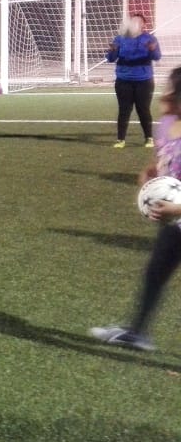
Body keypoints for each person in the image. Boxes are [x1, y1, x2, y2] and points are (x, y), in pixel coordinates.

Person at [91, 65, 181, 352]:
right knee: (155, 272)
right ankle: (138, 333)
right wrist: (151, 172)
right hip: (175, 223)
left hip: (177, 215)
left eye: (171, 89)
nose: (164, 93)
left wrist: (176, 209)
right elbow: (165, 162)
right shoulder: (166, 124)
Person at [107, 13, 160, 148]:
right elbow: (111, 58)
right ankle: (120, 140)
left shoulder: (150, 38)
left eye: (138, 21)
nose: (135, 23)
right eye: (133, 21)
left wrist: (152, 50)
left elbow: (157, 56)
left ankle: (149, 138)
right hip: (123, 80)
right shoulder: (120, 38)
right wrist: (112, 50)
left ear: (144, 25)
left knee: (143, 109)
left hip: (144, 80)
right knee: (124, 110)